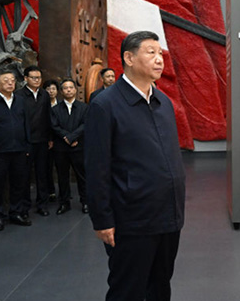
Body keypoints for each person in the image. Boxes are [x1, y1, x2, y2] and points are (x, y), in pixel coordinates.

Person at [85, 31, 185, 301]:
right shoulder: (105, 105)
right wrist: (102, 219)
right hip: (131, 219)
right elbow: (96, 168)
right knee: (128, 289)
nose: (159, 59)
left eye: (160, 53)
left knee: (160, 286)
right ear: (128, 58)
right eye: (151, 52)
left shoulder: (163, 102)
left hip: (168, 216)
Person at [0, 69, 32, 231]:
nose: (10, 83)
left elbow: (26, 125)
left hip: (19, 150)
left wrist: (28, 146)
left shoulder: (21, 101)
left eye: (12, 80)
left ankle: (15, 213)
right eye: (6, 80)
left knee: (18, 184)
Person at [16, 66, 53, 217]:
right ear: (26, 79)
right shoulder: (19, 95)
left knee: (42, 174)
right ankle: (24, 207)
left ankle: (42, 204)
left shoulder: (44, 94)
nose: (37, 80)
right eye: (33, 78)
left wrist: (50, 137)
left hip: (42, 140)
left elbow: (48, 117)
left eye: (39, 78)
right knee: (24, 176)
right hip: (26, 141)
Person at [51, 78, 88, 215]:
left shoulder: (84, 107)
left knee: (82, 176)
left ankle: (85, 202)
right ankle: (64, 203)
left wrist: (73, 137)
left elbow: (85, 124)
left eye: (71, 87)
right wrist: (67, 137)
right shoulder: (55, 109)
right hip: (61, 148)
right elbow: (54, 126)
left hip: (79, 147)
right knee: (62, 177)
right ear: (61, 91)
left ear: (75, 90)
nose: (68, 90)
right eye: (65, 88)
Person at [42, 79, 60, 202]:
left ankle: (64, 192)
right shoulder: (42, 105)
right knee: (47, 167)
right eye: (48, 89)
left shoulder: (61, 104)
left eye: (53, 89)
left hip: (60, 139)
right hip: (47, 141)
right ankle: (50, 191)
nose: (51, 91)